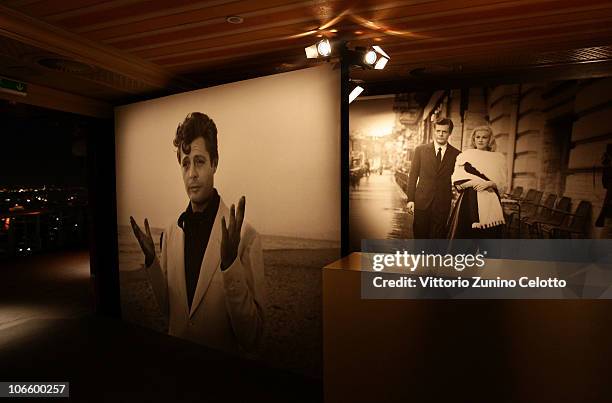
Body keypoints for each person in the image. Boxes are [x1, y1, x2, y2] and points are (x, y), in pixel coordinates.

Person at [129, 112, 265, 356]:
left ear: (215, 163)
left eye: (200, 161)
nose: (192, 173)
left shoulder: (246, 236)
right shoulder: (171, 233)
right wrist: (152, 264)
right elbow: (170, 311)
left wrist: (230, 264)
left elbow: (252, 336)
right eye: (185, 163)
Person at [447, 125, 507, 241]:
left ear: (490, 140)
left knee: (488, 239)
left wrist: (489, 184)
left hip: (491, 201)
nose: (480, 140)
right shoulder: (465, 156)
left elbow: (502, 185)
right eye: (477, 137)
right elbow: (457, 182)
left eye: (484, 137)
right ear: (473, 139)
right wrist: (474, 182)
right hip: (469, 202)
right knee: (467, 238)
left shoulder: (498, 158)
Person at [406, 117, 461, 238]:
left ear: (449, 133)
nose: (441, 134)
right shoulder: (420, 150)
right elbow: (413, 176)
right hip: (422, 202)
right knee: (420, 237)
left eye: (444, 131)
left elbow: (458, 177)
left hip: (442, 203)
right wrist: (410, 199)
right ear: (434, 131)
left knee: (438, 239)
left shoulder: (457, 154)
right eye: (438, 131)